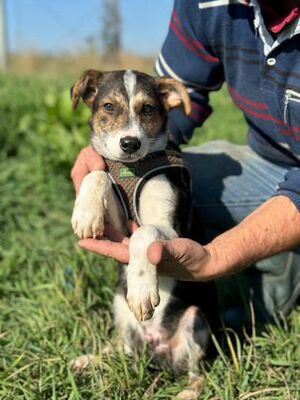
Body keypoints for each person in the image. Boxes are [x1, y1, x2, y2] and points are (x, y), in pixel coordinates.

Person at [71, 0, 300, 324]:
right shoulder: (206, 3)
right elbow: (168, 105)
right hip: (269, 160)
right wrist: (109, 168)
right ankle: (279, 248)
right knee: (174, 176)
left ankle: (282, 254)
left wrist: (217, 257)